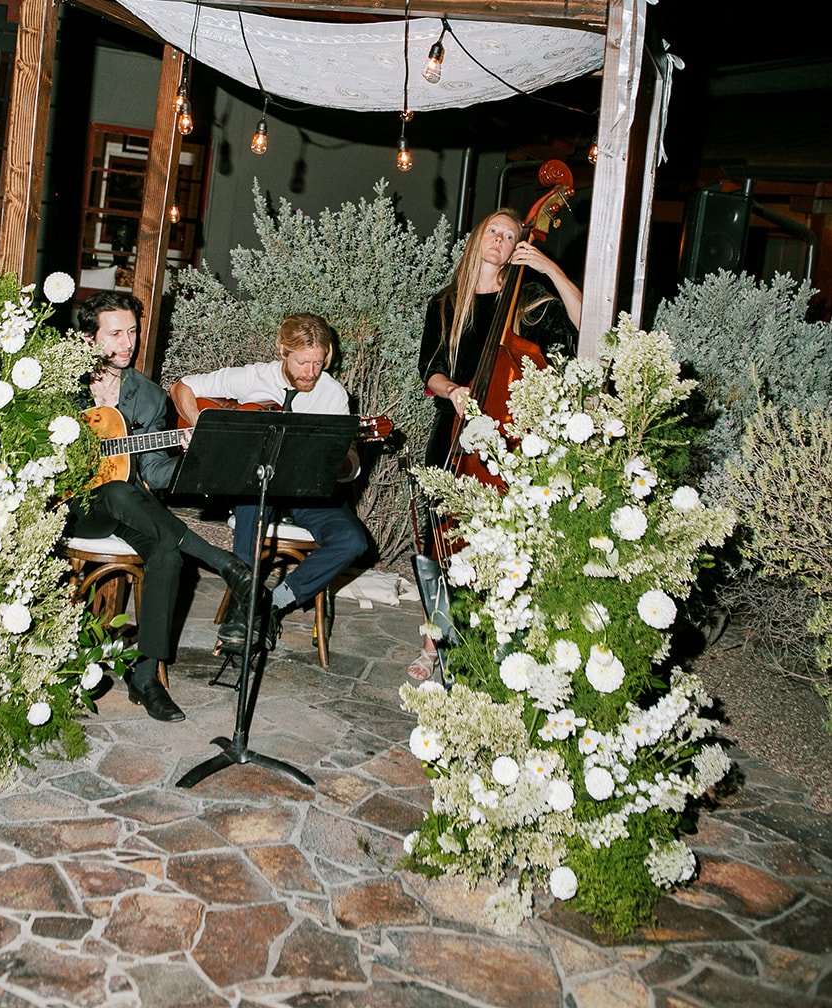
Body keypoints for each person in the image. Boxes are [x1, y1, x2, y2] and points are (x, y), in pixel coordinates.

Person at [409, 207, 583, 680]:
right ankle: (432, 642)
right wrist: (453, 390)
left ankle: (491, 645)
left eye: (511, 236)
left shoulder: (526, 299)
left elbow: (587, 323)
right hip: (451, 434)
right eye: (495, 231)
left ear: (516, 248)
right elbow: (431, 370)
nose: (501, 240)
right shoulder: (446, 303)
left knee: (496, 546)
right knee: (440, 539)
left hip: (505, 443)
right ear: (478, 238)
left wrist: (549, 268)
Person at [73, 291, 257, 723]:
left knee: (167, 553)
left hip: (131, 506)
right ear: (88, 339)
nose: (127, 343)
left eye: (132, 332)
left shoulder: (151, 398)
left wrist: (187, 457)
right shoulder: (59, 386)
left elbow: (153, 473)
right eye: (115, 333)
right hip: (77, 508)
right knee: (116, 491)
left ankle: (146, 675)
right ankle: (221, 561)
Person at [169, 313, 364, 654]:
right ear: (283, 352)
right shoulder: (252, 378)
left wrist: (342, 463)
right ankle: (243, 611)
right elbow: (182, 387)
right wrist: (202, 426)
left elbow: (347, 464)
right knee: (252, 505)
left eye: (319, 363)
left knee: (352, 541)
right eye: (303, 362)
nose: (311, 372)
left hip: (308, 494)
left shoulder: (333, 396)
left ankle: (269, 605)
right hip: (258, 486)